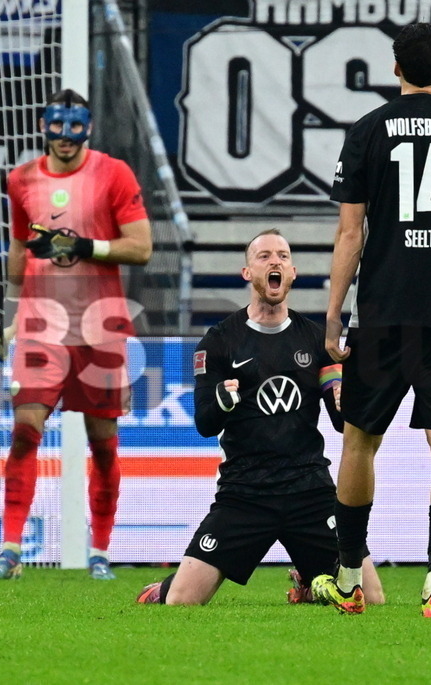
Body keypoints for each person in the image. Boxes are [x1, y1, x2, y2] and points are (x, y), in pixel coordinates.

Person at [314, 23, 431, 616]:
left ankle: (349, 578)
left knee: (358, 444)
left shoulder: (369, 130)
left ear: (395, 69)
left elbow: (351, 233)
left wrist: (332, 318)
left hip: (381, 315)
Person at [136, 230, 384, 605]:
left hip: (310, 491)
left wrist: (345, 398)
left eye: (283, 257)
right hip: (245, 493)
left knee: (373, 598)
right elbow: (205, 424)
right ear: (247, 272)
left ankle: (309, 575)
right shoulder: (219, 340)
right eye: (264, 256)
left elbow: (340, 422)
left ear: (293, 272)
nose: (275, 262)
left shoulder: (317, 341)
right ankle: (165, 586)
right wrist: (222, 399)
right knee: (181, 603)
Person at [0, 88, 152, 580]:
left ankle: (99, 551)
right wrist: (11, 317)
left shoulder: (114, 173)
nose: (66, 137)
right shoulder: (21, 180)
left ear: (89, 128)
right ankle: (10, 550)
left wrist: (85, 246)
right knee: (24, 432)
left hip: (100, 326)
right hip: (40, 326)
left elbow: (141, 248)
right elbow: (18, 251)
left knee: (102, 443)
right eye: (58, 126)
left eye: (76, 127)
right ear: (43, 126)